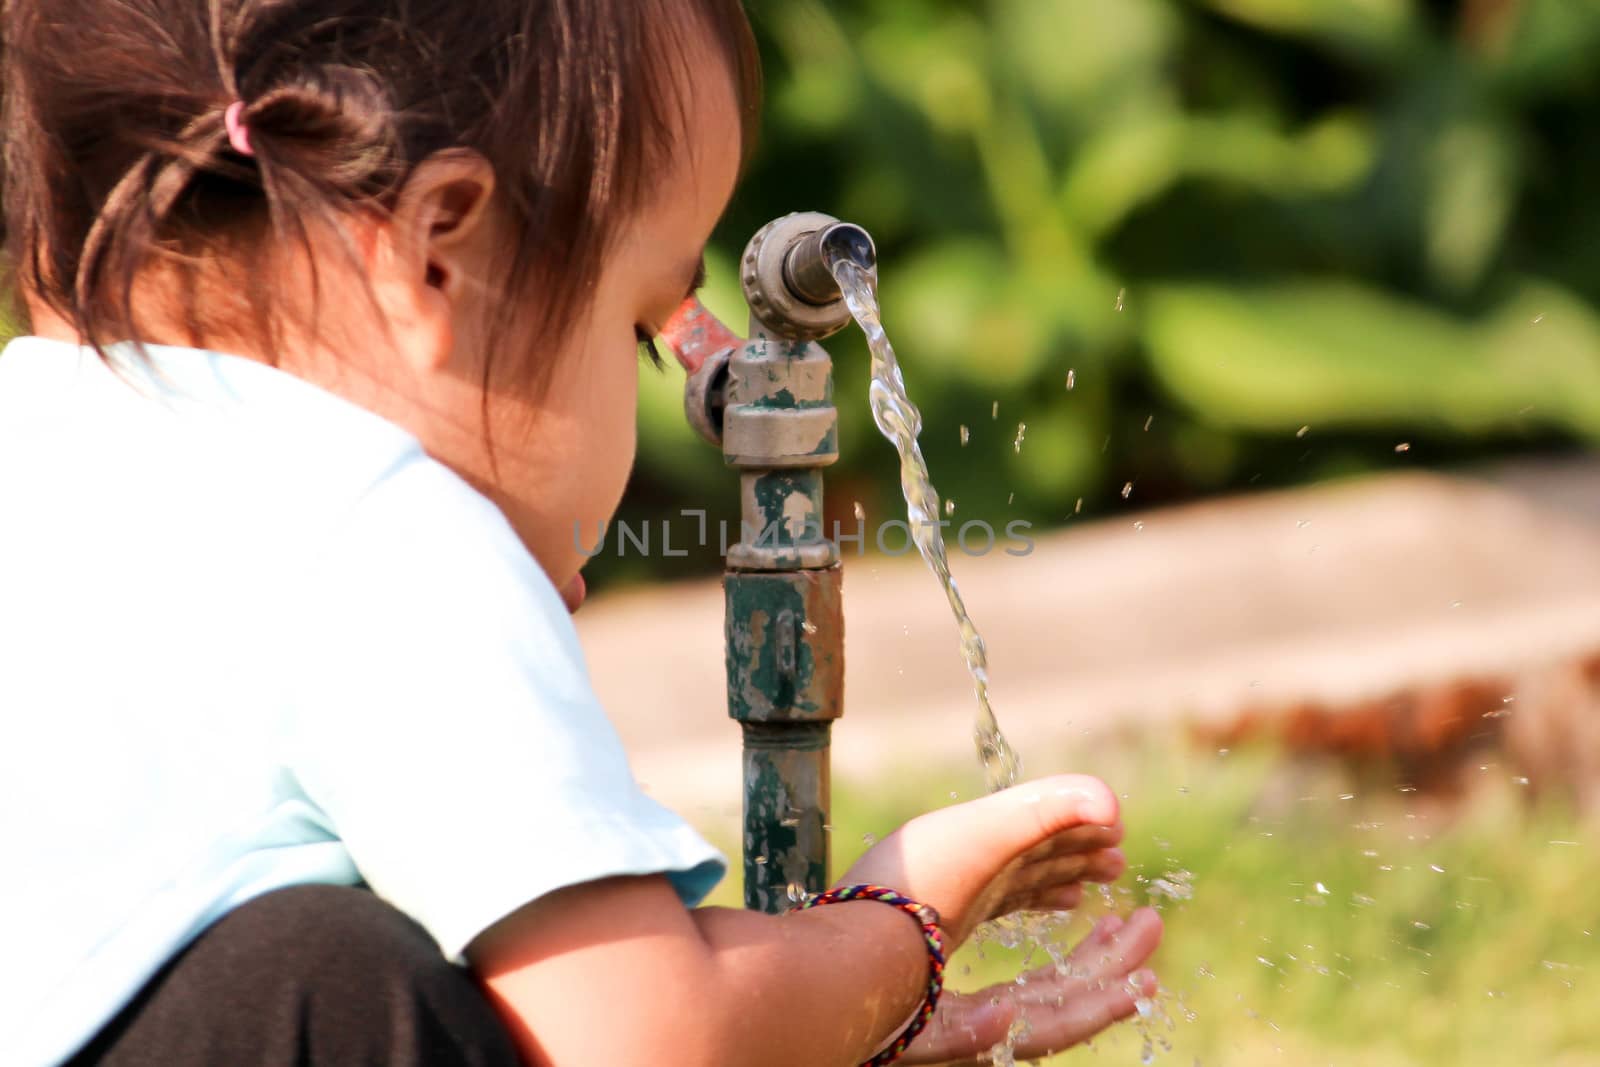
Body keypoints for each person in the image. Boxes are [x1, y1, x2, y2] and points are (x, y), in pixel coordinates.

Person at [0, 1, 1163, 1064]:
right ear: (435, 251)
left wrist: (803, 1021)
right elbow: (655, 1038)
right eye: (644, 329)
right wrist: (903, 925)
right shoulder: (388, 537)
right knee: (335, 977)